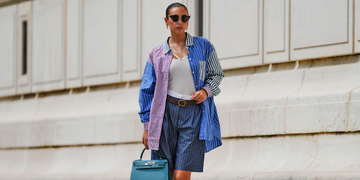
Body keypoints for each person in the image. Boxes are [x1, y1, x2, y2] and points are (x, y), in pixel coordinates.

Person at [138, 2, 224, 180]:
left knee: (181, 175)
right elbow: (147, 90)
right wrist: (147, 127)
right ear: (166, 21)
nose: (180, 21)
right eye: (175, 18)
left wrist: (206, 91)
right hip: (165, 115)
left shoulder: (204, 46)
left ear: (188, 21)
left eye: (184, 18)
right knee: (166, 173)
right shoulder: (157, 54)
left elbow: (216, 75)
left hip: (194, 114)